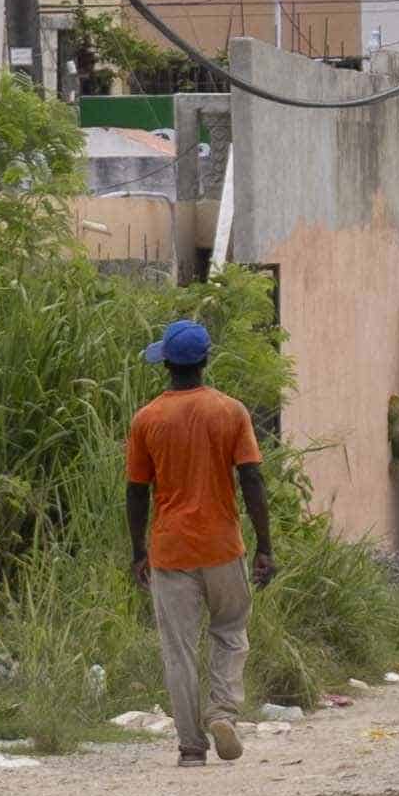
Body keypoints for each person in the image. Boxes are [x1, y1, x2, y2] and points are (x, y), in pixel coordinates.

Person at [123, 314, 278, 765]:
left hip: (170, 550)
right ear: (206, 360)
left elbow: (136, 491)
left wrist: (138, 551)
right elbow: (252, 478)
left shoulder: (147, 419)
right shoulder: (230, 411)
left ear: (166, 364)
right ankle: (222, 710)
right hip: (222, 545)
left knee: (179, 649)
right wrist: (264, 545)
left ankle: (191, 746)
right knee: (230, 631)